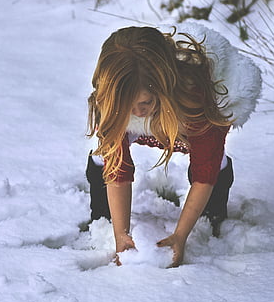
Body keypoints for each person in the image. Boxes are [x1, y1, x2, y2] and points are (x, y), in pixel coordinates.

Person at [86, 24, 261, 267]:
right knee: (103, 159)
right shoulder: (114, 104)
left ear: (162, 87)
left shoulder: (196, 102)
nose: (138, 111)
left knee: (212, 162)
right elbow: (118, 171)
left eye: (145, 102)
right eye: (129, 104)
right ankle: (101, 220)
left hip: (184, 117)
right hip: (154, 112)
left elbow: (204, 174)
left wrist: (180, 236)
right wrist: (120, 235)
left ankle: (210, 219)